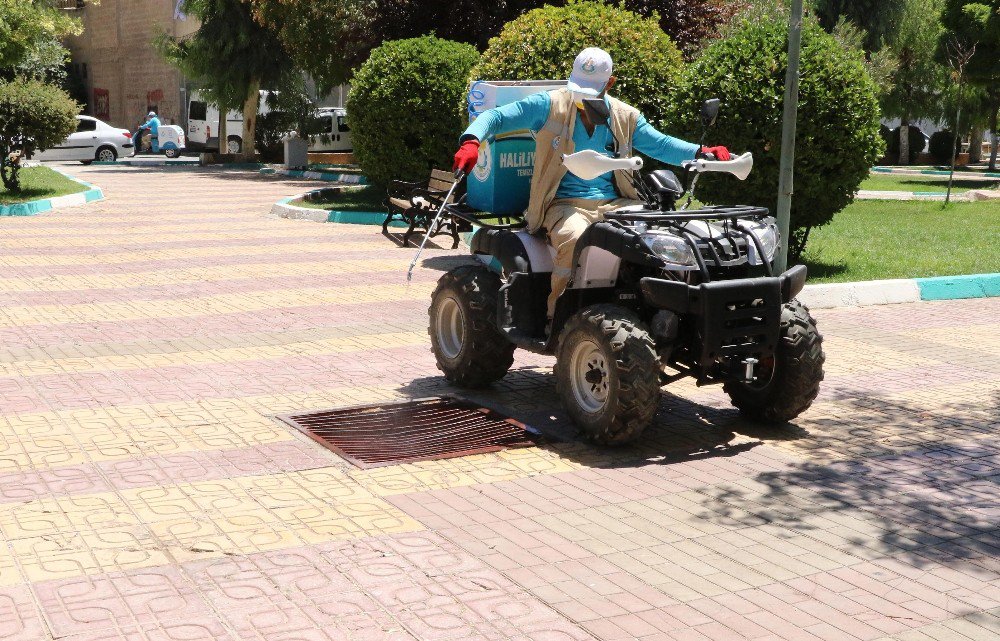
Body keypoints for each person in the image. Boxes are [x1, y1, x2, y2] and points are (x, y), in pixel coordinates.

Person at [453, 47, 730, 326]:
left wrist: (700, 152)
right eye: (577, 88)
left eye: (591, 90)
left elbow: (661, 144)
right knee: (575, 239)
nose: (582, 98)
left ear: (610, 84)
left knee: (660, 238)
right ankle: (559, 319)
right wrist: (471, 141)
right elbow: (496, 117)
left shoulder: (625, 116)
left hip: (617, 203)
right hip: (562, 203)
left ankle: (653, 309)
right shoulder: (549, 105)